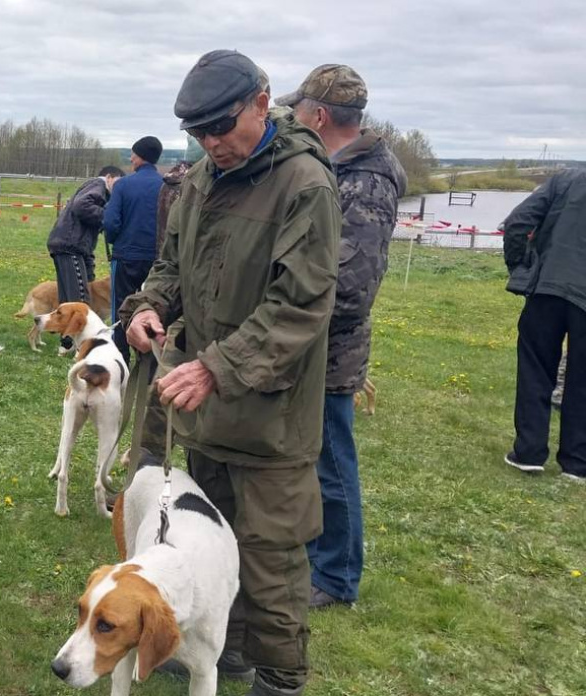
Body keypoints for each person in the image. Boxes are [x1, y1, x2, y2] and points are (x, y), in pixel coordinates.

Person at [121, 50, 340, 696]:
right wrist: (148, 307)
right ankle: (227, 655)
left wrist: (216, 368)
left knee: (271, 559)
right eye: (199, 131)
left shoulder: (305, 185)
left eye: (222, 126)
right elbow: (173, 264)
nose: (212, 142)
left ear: (262, 105)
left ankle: (279, 679)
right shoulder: (201, 180)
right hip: (207, 410)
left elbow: (299, 305)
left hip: (271, 418)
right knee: (213, 545)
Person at [278, 64, 407, 609]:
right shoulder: (336, 170)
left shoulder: (366, 182)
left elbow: (352, 288)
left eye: (298, 110)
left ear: (319, 116)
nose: (293, 119)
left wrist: (289, 325)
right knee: (311, 459)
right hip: (308, 345)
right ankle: (315, 553)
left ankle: (336, 575)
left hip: (330, 352)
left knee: (332, 462)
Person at [501, 168, 586, 482]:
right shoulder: (565, 180)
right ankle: (576, 462)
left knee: (535, 367)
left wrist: (520, 266)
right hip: (556, 286)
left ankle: (529, 451)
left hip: (548, 286)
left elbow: (517, 222)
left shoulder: (564, 181)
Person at [103, 136, 163, 360]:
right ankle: (148, 354)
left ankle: (120, 356)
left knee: (120, 306)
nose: (130, 159)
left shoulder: (123, 185)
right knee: (153, 304)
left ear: (139, 157)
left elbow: (110, 222)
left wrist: (114, 241)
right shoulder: (166, 185)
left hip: (126, 255)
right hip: (157, 258)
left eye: (133, 155)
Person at [47, 165, 125, 307]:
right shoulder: (98, 185)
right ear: (108, 177)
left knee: (70, 303)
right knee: (79, 303)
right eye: (118, 182)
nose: (119, 188)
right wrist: (107, 216)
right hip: (71, 246)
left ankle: (68, 321)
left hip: (71, 245)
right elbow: (81, 205)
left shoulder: (99, 190)